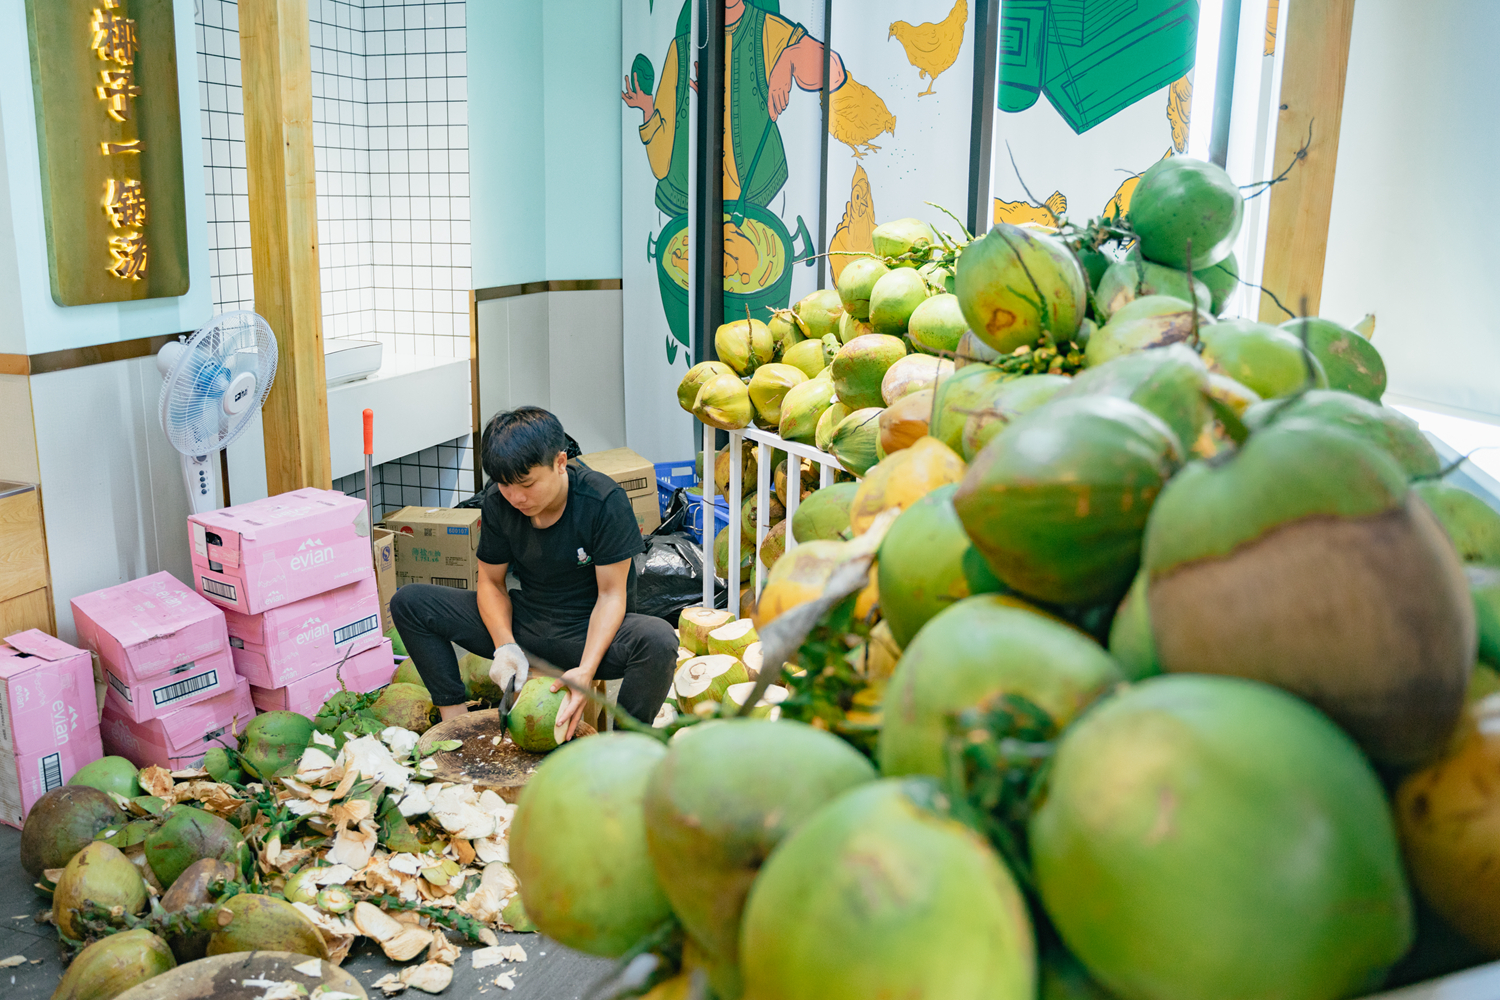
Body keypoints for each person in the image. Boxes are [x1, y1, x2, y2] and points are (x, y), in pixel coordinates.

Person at [390, 408, 677, 740]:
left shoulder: (602, 500)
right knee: (410, 603)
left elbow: (611, 596)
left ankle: (627, 745)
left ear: (559, 462)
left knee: (659, 639)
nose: (516, 497)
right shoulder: (500, 502)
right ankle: (454, 723)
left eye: (526, 484)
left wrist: (585, 671)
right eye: (505, 485)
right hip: (526, 624)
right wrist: (505, 646)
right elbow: (492, 582)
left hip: (590, 632)